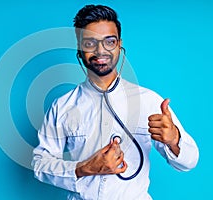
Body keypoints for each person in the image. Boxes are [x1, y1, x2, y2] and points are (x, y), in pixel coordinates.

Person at [32, 4, 199, 200]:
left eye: (109, 41)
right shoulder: (62, 106)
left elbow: (189, 162)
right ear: (79, 49)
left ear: (119, 45)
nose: (100, 50)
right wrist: (83, 168)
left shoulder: (148, 101)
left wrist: (174, 139)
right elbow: (40, 163)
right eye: (89, 43)